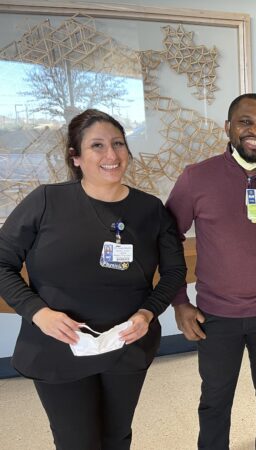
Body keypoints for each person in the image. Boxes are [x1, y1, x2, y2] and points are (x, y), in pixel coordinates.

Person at [0, 109, 187, 449]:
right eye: (97, 145)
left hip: (126, 345)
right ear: (76, 157)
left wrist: (147, 313)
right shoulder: (46, 201)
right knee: (77, 442)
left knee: (117, 436)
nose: (111, 154)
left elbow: (174, 272)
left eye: (118, 143)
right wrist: (38, 313)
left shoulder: (150, 210)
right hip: (59, 346)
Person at [166, 93, 256, 450]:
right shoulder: (195, 178)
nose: (255, 131)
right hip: (215, 316)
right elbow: (167, 238)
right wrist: (179, 301)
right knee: (214, 401)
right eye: (245, 122)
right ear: (228, 127)